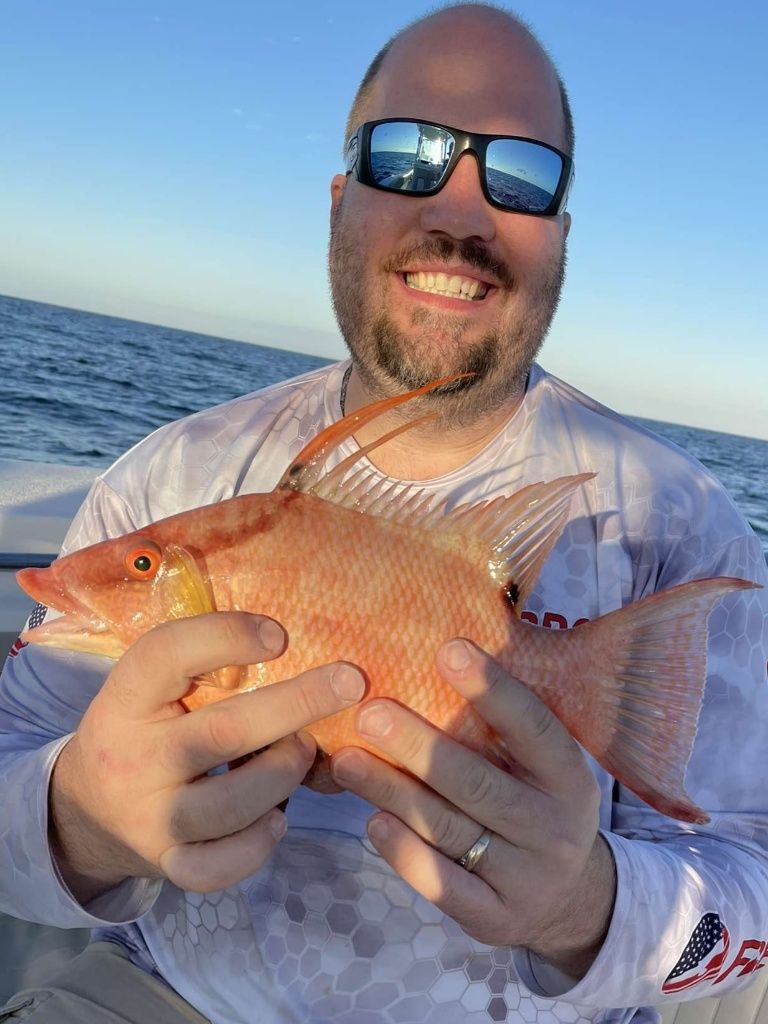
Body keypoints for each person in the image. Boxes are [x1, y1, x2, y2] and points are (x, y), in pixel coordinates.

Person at [1, 4, 767, 1023]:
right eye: (405, 156)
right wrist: (78, 823)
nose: (461, 210)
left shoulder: (677, 526)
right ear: (339, 201)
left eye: (522, 175)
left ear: (563, 234)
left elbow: (751, 888)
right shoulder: (170, 477)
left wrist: (587, 908)